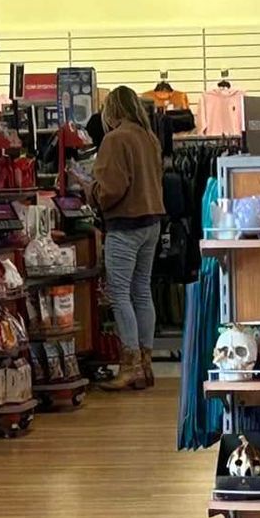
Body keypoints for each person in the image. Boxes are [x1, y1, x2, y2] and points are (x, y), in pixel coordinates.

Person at [88, 85, 163, 392]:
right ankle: (145, 363)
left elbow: (112, 188)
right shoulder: (149, 137)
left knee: (119, 294)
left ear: (113, 110)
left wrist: (90, 191)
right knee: (142, 291)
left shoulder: (115, 139)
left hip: (125, 224)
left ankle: (129, 364)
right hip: (151, 222)